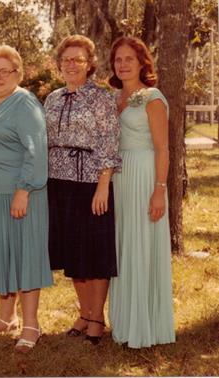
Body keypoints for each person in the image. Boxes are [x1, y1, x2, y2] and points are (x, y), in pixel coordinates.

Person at [0, 45, 53, 353]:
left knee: (25, 256)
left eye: (5, 71)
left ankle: (32, 324)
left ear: (18, 73)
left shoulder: (25, 103)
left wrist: (24, 189)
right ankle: (7, 318)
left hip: (20, 195)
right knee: (3, 256)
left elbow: (36, 149)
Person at [45, 35, 121, 345]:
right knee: (73, 253)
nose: (72, 65)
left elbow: (109, 141)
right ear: (59, 64)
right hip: (59, 182)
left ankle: (96, 318)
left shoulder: (101, 98)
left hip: (92, 183)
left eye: (78, 59)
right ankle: (83, 311)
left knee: (94, 253)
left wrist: (103, 185)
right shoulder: (52, 98)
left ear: (90, 64)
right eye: (66, 60)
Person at [107, 36, 175, 348]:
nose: (122, 64)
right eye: (118, 59)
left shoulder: (153, 98)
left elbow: (163, 149)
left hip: (145, 175)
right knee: (123, 245)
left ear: (141, 62)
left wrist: (159, 190)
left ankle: (146, 324)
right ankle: (123, 322)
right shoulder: (114, 97)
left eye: (128, 59)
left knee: (142, 243)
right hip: (119, 179)